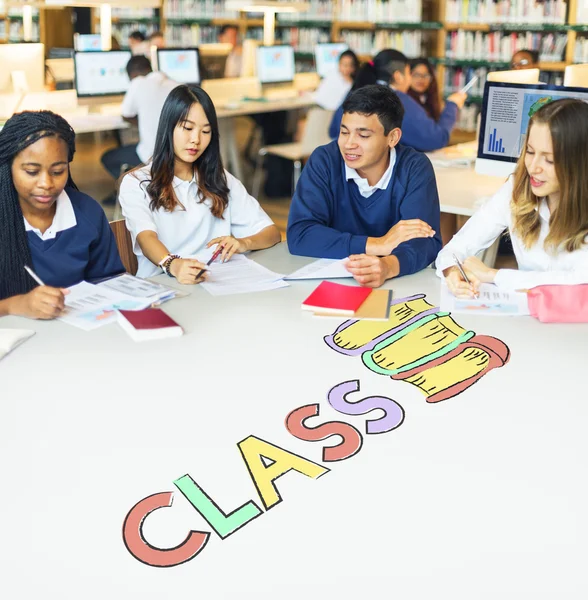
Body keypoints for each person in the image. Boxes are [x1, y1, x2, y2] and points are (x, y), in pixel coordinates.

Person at [118, 85, 281, 281]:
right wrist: (174, 265)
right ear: (168, 127)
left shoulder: (220, 179)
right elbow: (146, 238)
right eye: (187, 128)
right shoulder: (137, 183)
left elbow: (271, 233)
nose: (196, 139)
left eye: (205, 131)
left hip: (218, 284)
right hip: (164, 287)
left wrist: (243, 243)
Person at [287, 85, 442, 288]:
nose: (349, 144)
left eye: (363, 135)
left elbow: (425, 241)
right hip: (331, 281)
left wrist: (387, 266)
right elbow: (300, 234)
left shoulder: (414, 167)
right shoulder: (324, 160)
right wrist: (379, 244)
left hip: (400, 284)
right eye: (344, 132)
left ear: (392, 137)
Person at [437, 98, 588, 297]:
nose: (533, 167)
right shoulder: (516, 189)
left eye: (549, 160)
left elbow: (578, 282)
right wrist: (453, 271)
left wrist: (493, 275)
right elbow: (457, 247)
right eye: (531, 152)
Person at [0, 111, 124, 319]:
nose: (46, 184)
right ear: (7, 167)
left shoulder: (87, 213)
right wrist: (16, 305)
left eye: (58, 171)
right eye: (31, 172)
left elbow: (110, 282)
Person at [328, 49, 466, 152]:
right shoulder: (396, 100)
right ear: (398, 76)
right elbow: (436, 138)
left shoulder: (355, 92)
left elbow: (333, 131)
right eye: (408, 74)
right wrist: (452, 105)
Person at [101, 56, 179, 186]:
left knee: (108, 158)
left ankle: (139, 188)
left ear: (132, 74)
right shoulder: (176, 84)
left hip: (152, 155)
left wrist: (142, 122)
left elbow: (126, 114)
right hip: (177, 156)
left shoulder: (138, 83)